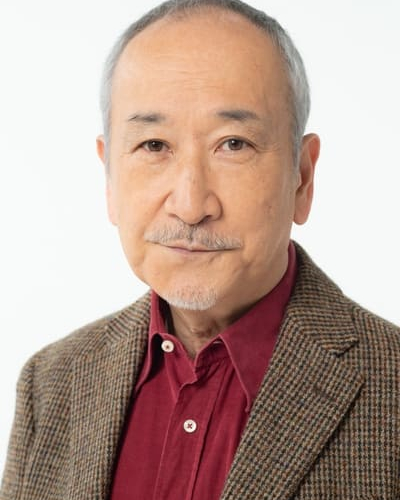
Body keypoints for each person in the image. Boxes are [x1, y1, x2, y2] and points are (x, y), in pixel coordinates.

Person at [1, 0, 399, 499]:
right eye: (153, 146)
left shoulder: (391, 387)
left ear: (302, 176)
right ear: (109, 178)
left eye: (233, 144)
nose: (191, 207)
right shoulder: (51, 384)